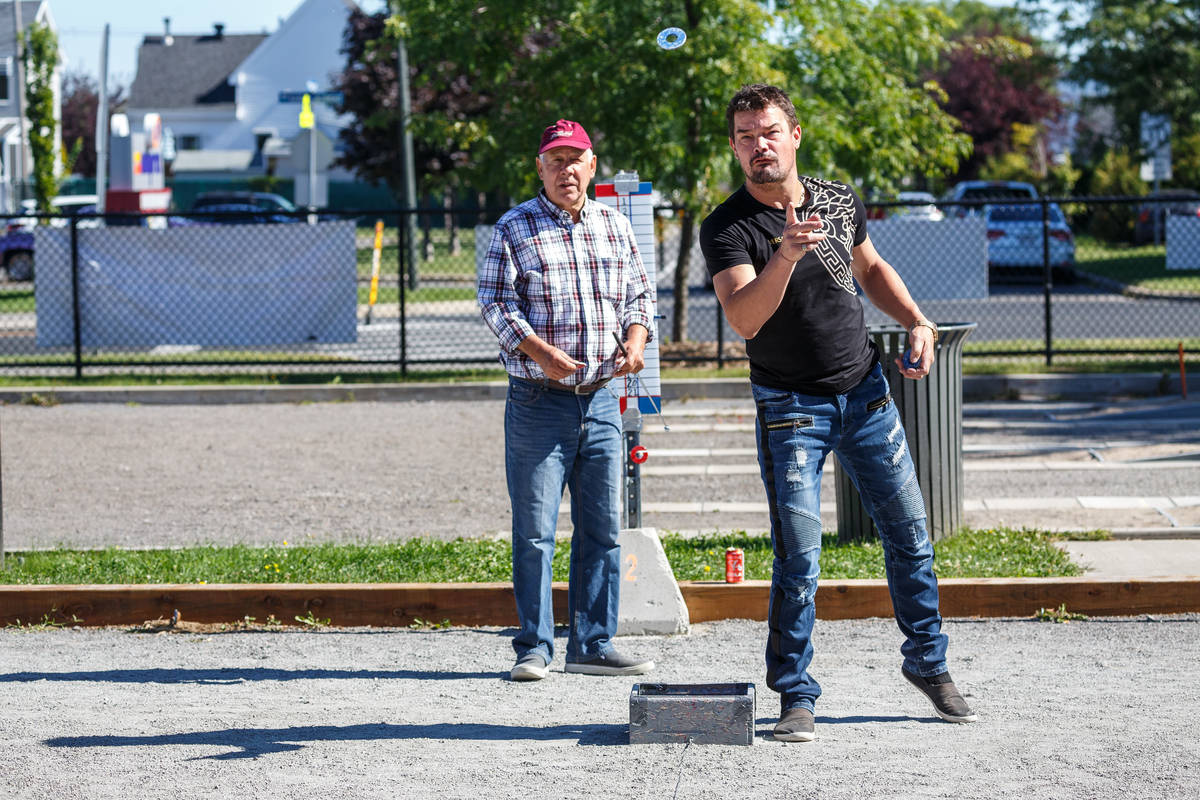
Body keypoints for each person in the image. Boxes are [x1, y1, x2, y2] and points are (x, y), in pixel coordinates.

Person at [699, 84, 977, 741]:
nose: (756, 145)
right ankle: (795, 693)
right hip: (790, 405)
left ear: (794, 135)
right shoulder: (728, 226)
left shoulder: (836, 199)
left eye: (767, 131)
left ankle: (929, 665)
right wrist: (786, 255)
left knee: (910, 535)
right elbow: (744, 318)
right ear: (734, 147)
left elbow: (870, 268)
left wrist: (915, 320)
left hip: (866, 393)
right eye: (743, 136)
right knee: (799, 558)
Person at [478, 119, 657, 682]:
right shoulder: (514, 227)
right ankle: (534, 647)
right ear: (540, 168)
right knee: (534, 529)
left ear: (592, 165)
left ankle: (593, 644)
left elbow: (639, 294)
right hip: (539, 399)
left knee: (602, 529)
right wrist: (537, 351)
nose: (565, 169)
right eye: (554, 160)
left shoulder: (613, 225)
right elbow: (496, 301)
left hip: (601, 399)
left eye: (574, 159)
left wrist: (635, 341)